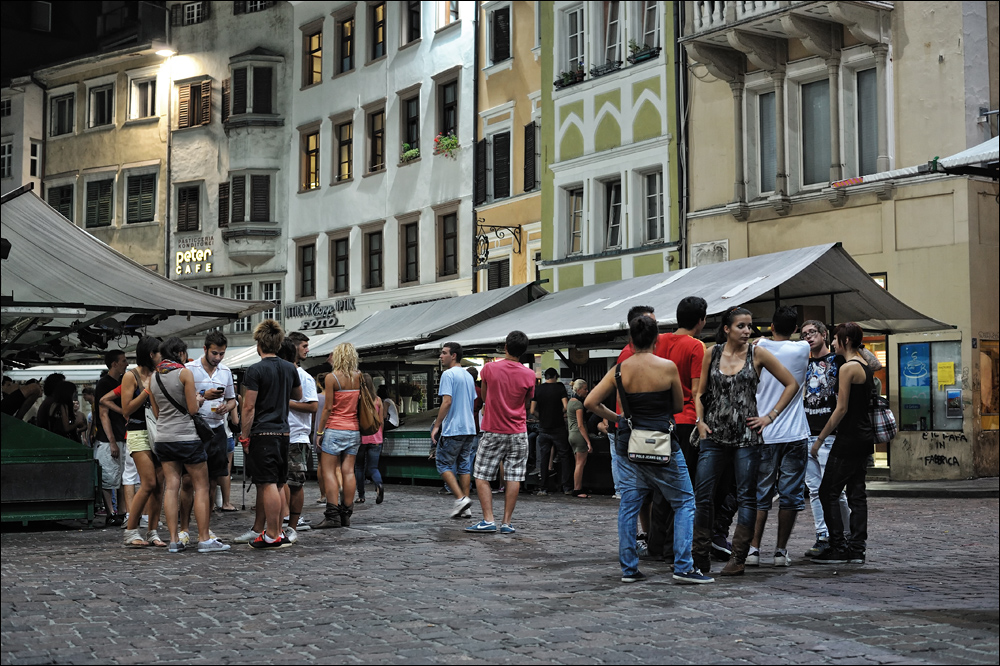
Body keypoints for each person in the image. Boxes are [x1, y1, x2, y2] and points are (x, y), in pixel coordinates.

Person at [585, 314, 713, 585]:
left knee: (630, 504)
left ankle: (629, 568)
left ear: (631, 340)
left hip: (627, 443)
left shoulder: (619, 369)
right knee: (685, 501)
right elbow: (678, 405)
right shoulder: (667, 367)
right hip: (661, 441)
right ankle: (683, 565)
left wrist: (618, 418)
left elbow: (591, 401)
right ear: (656, 339)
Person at [691, 307, 799, 576]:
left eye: (749, 326)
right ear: (727, 328)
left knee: (746, 497)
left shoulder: (758, 353)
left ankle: (738, 559)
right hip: (713, 435)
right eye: (741, 326)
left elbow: (791, 384)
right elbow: (700, 392)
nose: (747, 331)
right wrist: (699, 421)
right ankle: (700, 556)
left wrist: (769, 417)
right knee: (703, 495)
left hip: (747, 438)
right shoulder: (711, 353)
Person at [642, 297, 711, 562]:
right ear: (701, 320)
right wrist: (701, 422)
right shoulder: (696, 346)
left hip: (660, 421)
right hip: (685, 421)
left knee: (660, 486)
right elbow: (697, 390)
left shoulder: (660, 341)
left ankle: (656, 545)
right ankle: (673, 547)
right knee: (683, 488)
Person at [148, 337, 230, 554]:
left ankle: (174, 539)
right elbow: (193, 409)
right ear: (181, 354)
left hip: (164, 437)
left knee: (171, 487)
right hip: (186, 437)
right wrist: (200, 398)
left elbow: (156, 412)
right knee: (202, 486)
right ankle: (204, 538)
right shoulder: (185, 373)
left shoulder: (154, 376)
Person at [747, 307, 811, 568]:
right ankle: (780, 551)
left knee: (760, 494)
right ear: (795, 329)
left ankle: (753, 549)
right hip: (795, 432)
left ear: (771, 326)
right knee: (790, 495)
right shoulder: (803, 349)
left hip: (763, 430)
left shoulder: (757, 348)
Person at [812, 322, 875, 565]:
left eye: (836, 339)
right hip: (864, 437)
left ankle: (838, 545)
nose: (833, 343)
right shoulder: (865, 365)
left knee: (828, 491)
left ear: (845, 341)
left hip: (848, 438)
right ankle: (857, 548)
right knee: (857, 494)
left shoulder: (848, 368)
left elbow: (841, 409)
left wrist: (819, 440)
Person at [240, 320, 302, 548]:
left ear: (259, 343)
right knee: (277, 483)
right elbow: (297, 393)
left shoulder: (255, 370)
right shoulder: (289, 368)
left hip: (263, 432)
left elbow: (248, 407)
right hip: (284, 432)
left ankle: (272, 534)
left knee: (266, 484)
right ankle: (276, 532)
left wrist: (244, 435)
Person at [466, 331, 535, 535]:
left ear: (505, 347)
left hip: (493, 429)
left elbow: (485, 397)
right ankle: (507, 522)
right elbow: (527, 402)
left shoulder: (489, 369)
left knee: (481, 474)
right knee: (514, 476)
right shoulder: (529, 374)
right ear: (523, 352)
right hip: (518, 431)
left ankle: (488, 519)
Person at [108, 336, 165, 547]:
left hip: (159, 432)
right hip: (138, 431)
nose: (162, 357)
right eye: (159, 353)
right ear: (151, 354)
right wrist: (147, 391)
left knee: (159, 486)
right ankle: (131, 530)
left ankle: (153, 531)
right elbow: (126, 409)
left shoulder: (159, 374)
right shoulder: (130, 376)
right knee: (148, 482)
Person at [801, 320, 852, 557]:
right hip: (805, 432)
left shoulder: (838, 360)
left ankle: (845, 533)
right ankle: (823, 535)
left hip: (830, 434)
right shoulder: (801, 363)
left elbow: (869, 362)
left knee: (834, 491)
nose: (808, 337)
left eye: (812, 333)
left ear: (824, 335)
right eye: (804, 334)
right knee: (814, 489)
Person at [313, 343, 361, 530]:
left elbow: (328, 408)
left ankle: (332, 515)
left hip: (334, 429)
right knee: (349, 471)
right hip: (354, 430)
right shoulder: (359, 377)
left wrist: (319, 432)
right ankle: (346, 514)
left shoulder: (332, 378)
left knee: (329, 472)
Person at [431, 342, 478, 519]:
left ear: (454, 355)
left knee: (443, 464)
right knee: (464, 466)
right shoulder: (468, 376)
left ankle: (460, 499)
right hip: (469, 427)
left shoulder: (448, 375)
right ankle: (465, 506)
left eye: (444, 353)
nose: (440, 356)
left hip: (454, 428)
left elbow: (447, 402)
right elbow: (472, 399)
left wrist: (437, 425)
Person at [282, 332, 318, 539]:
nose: (307, 349)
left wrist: (284, 402)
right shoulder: (284, 372)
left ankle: (294, 524)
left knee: (295, 482)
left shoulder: (305, 377)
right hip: (280, 433)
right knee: (280, 481)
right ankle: (281, 519)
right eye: (303, 346)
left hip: (297, 435)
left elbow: (313, 406)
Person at [94, 350, 129, 526]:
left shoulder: (121, 382)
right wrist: (112, 440)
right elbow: (103, 414)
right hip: (109, 439)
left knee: (123, 477)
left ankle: (121, 512)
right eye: (123, 360)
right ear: (114, 364)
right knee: (109, 478)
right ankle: (111, 512)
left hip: (121, 436)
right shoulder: (104, 384)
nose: (127, 363)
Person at [530, 368, 572, 495]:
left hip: (543, 427)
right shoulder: (560, 388)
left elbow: (532, 411)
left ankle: (543, 487)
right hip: (558, 427)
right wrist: (560, 414)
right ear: (555, 376)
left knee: (544, 457)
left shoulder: (538, 389)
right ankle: (566, 487)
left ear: (545, 376)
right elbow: (566, 406)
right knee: (564, 456)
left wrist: (541, 417)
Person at [356, 373, 386, 505]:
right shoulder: (378, 400)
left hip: (361, 438)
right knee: (373, 467)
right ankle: (379, 485)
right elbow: (381, 421)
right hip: (376, 438)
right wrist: (380, 436)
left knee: (359, 468)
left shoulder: (358, 399)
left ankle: (361, 495)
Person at [566, 379, 592, 498]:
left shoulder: (570, 402)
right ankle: (577, 489)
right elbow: (581, 425)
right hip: (579, 435)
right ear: (578, 389)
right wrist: (588, 442)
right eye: (585, 389)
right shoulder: (578, 404)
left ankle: (578, 487)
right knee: (580, 463)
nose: (587, 391)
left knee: (578, 463)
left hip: (571, 434)